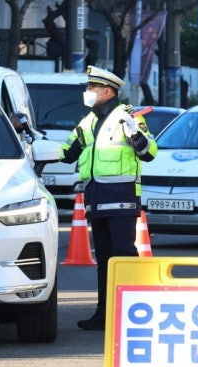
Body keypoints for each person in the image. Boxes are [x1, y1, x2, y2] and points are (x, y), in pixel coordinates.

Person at [60, 66, 158, 331]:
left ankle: (136, 313)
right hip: (96, 199)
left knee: (123, 256)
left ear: (107, 90)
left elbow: (149, 153)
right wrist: (29, 139)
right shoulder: (87, 122)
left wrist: (135, 134)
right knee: (104, 260)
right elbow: (67, 152)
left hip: (122, 199)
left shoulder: (127, 116)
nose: (88, 92)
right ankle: (104, 315)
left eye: (92, 87)